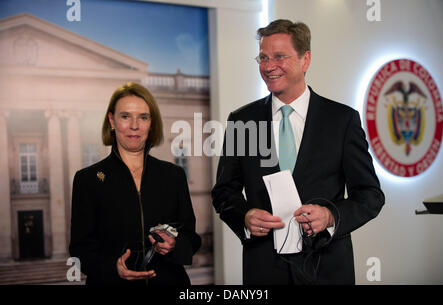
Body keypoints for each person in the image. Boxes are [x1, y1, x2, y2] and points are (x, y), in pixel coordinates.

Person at [211, 19, 385, 284]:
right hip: (263, 271)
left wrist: (330, 216)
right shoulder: (242, 121)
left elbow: (370, 196)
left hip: (327, 270)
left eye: (279, 57)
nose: (268, 66)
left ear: (306, 60)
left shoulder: (342, 120)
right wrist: (244, 216)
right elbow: (224, 192)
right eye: (263, 58)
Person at [69, 82, 201, 285]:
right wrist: (113, 268)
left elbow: (192, 238)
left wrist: (175, 245)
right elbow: (80, 250)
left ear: (151, 123)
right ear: (112, 121)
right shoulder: (87, 180)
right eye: (125, 116)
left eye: (143, 117)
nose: (134, 125)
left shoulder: (173, 175)